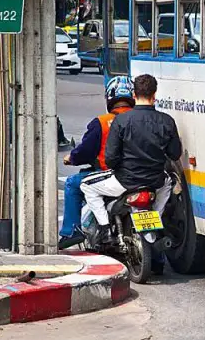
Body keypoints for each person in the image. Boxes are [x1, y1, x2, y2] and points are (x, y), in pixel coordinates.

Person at [80, 74, 182, 251]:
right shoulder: (167, 121)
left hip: (125, 182)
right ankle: (154, 220)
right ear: (154, 95)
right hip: (155, 182)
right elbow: (174, 154)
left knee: (86, 185)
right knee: (168, 183)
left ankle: (104, 229)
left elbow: (111, 159)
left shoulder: (121, 121)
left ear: (134, 95)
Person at [57, 76, 135, 250]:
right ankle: (159, 257)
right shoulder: (140, 120)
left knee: (72, 184)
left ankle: (71, 231)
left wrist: (72, 158)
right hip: (145, 175)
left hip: (110, 176)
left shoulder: (102, 122)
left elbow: (85, 151)